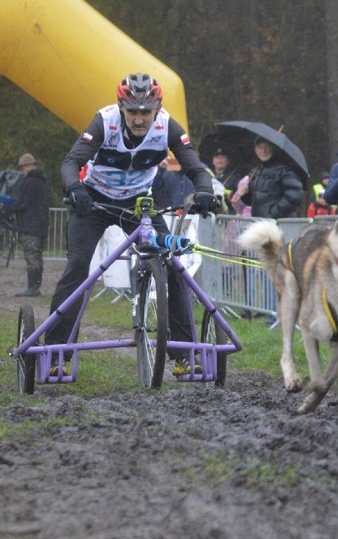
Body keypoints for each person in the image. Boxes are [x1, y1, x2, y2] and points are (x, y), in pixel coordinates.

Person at [46, 72, 218, 376]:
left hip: (138, 205)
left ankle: (183, 356)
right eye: (133, 112)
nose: (139, 119)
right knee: (78, 268)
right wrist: (74, 189)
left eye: (146, 112)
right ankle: (56, 352)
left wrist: (204, 191)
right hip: (93, 202)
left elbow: (195, 167)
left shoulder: (168, 127)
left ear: (157, 109)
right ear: (122, 108)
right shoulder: (104, 121)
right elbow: (71, 162)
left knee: (172, 265)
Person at [0, 153, 50, 296]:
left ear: (27, 166)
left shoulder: (30, 181)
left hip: (30, 226)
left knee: (31, 258)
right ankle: (35, 287)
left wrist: (5, 208)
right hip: (42, 224)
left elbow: (23, 204)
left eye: (22, 168)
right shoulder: (43, 181)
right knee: (37, 257)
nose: (22, 172)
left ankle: (32, 289)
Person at [236, 136, 304, 218]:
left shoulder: (285, 169)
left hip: (280, 224)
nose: (263, 151)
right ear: (255, 150)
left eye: (267, 147)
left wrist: (273, 215)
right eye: (260, 147)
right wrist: (245, 194)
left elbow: (295, 195)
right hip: (261, 223)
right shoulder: (256, 171)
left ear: (273, 148)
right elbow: (254, 200)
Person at [209, 147, 244, 214]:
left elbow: (238, 198)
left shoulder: (235, 178)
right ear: (213, 161)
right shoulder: (208, 176)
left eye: (222, 158)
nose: (219, 160)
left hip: (227, 215)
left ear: (227, 161)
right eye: (217, 158)